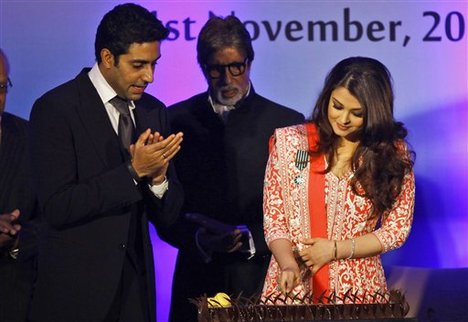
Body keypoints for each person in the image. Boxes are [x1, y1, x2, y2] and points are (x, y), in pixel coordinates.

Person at [28, 4, 183, 322]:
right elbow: (58, 206)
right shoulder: (55, 109)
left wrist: (158, 181)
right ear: (108, 57)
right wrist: (133, 172)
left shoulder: (154, 111)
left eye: (154, 64)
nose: (149, 77)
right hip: (75, 294)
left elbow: (168, 218)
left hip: (135, 295)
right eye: (139, 65)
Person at [157, 15, 305, 322]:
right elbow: (161, 207)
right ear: (202, 66)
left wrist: (250, 238)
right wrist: (199, 239)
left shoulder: (286, 123)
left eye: (236, 66)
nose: (227, 79)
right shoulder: (174, 120)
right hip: (196, 279)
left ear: (249, 62)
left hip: (263, 278)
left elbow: (299, 210)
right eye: (216, 69)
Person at [262, 56, 415, 303]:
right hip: (293, 289)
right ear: (327, 98)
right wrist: (287, 264)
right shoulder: (291, 143)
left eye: (356, 113)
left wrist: (335, 250)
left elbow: (396, 230)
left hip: (358, 294)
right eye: (337, 106)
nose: (343, 120)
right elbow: (275, 221)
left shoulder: (392, 155)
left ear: (375, 113)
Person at [0, 48, 40, 322]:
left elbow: (53, 217)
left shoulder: (30, 138)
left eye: (1, 87)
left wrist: (15, 239)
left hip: (16, 302)